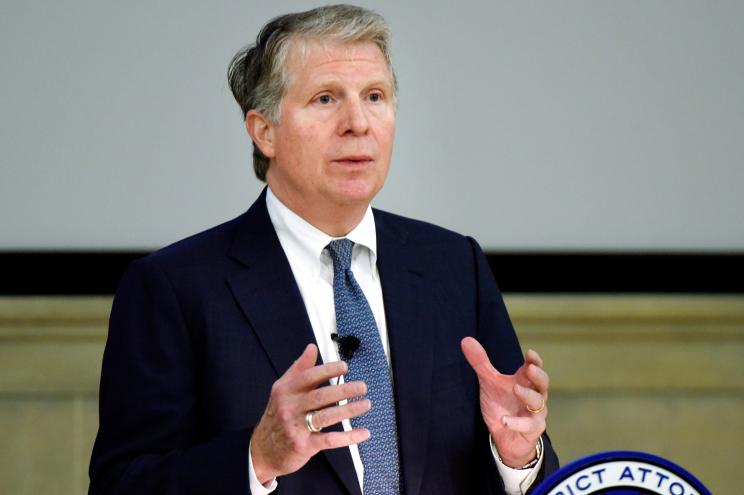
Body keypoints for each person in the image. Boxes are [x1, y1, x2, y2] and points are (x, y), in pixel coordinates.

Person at [89, 5, 558, 495]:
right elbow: (121, 485)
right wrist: (257, 457)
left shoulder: (454, 267)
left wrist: (516, 455)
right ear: (263, 131)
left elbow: (539, 477)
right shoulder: (175, 288)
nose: (357, 122)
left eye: (375, 96)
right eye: (326, 98)